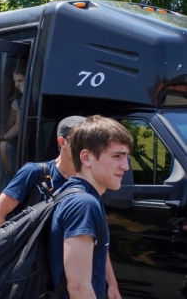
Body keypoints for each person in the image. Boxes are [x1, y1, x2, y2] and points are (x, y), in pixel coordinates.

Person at [0, 116, 123, 298]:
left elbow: (96, 242)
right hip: (34, 276)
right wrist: (11, 270)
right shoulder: (35, 173)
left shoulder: (88, 185)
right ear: (62, 142)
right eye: (79, 140)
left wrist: (111, 284)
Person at [48, 115, 132, 298]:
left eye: (126, 157)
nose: (125, 166)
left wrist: (111, 284)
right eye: (117, 156)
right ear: (86, 157)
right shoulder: (83, 204)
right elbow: (78, 287)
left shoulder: (78, 194)